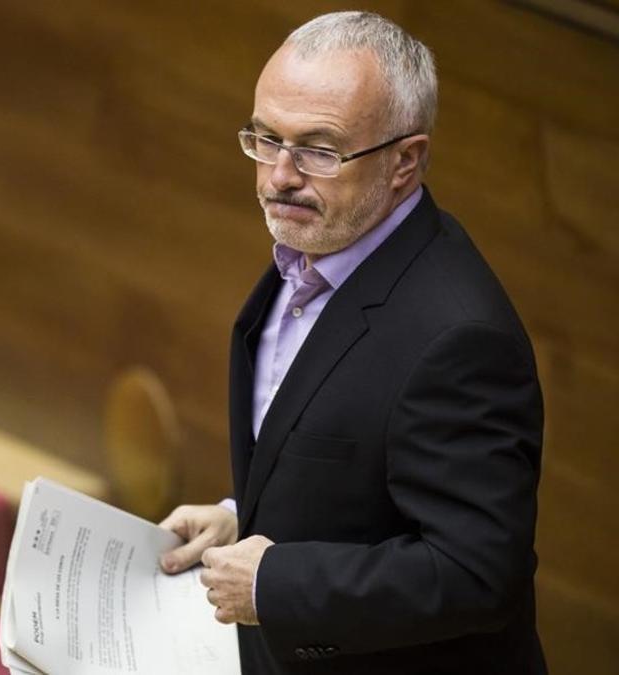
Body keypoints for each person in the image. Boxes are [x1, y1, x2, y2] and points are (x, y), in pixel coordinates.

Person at [157, 11, 545, 674]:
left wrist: (276, 581)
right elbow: (344, 456)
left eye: (319, 149)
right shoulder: (317, 249)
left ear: (405, 161)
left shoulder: (460, 340)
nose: (279, 175)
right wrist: (239, 520)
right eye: (265, 138)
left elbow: (478, 571)